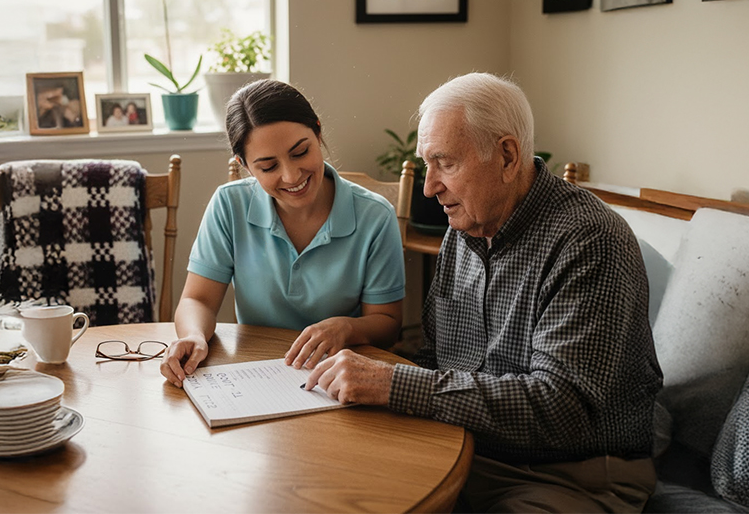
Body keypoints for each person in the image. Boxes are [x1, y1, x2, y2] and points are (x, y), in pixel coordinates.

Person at [305, 73, 663, 512]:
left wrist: (394, 384)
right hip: (462, 449)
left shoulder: (590, 240)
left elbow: (559, 411)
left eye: (445, 163)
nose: (429, 187)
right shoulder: (467, 227)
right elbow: (435, 359)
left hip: (568, 475)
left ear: (507, 156)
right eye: (426, 164)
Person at [160, 79, 405, 388]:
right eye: (268, 166)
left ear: (318, 133)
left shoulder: (374, 216)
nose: (291, 176)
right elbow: (199, 300)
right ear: (245, 166)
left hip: (337, 380)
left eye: (300, 152)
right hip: (253, 373)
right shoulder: (228, 205)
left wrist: (347, 328)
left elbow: (388, 324)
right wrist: (194, 335)